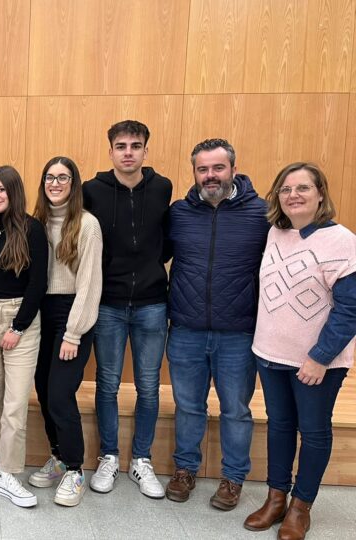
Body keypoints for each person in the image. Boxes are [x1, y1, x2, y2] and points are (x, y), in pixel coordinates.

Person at [244, 162, 355, 540]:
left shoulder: (342, 241)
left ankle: (300, 507)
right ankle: (276, 497)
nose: (293, 195)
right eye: (286, 189)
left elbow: (350, 309)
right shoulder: (276, 233)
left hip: (316, 363)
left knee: (314, 431)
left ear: (320, 194)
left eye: (303, 188)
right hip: (271, 354)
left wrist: (320, 357)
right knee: (279, 426)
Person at [164, 139, 269, 509]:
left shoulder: (262, 214)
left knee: (235, 410)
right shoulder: (178, 213)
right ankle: (185, 470)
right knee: (188, 406)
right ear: (194, 172)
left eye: (218, 168)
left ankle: (233, 477)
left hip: (238, 333)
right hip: (186, 329)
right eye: (203, 169)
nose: (210, 175)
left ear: (233, 170)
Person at [83, 120, 173, 498]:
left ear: (145, 151)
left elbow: (166, 243)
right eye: (121, 146)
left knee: (148, 386)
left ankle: (141, 459)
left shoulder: (162, 187)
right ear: (111, 152)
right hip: (108, 304)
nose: (128, 153)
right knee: (107, 383)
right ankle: (108, 456)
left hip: (152, 303)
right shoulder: (92, 191)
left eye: (135, 146)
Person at [0, 165, 49, 508]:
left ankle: (8, 474)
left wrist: (18, 327)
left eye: (0, 190)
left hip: (21, 319)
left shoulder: (33, 229)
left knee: (15, 403)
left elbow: (38, 283)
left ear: (13, 191)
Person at [29, 157, 102, 507]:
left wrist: (73, 333)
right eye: (50, 177)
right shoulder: (37, 223)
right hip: (40, 313)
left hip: (72, 315)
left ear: (74, 184)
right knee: (44, 390)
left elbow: (89, 284)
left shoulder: (87, 224)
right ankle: (58, 457)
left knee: (60, 394)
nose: (55, 183)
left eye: (63, 177)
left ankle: (75, 469)